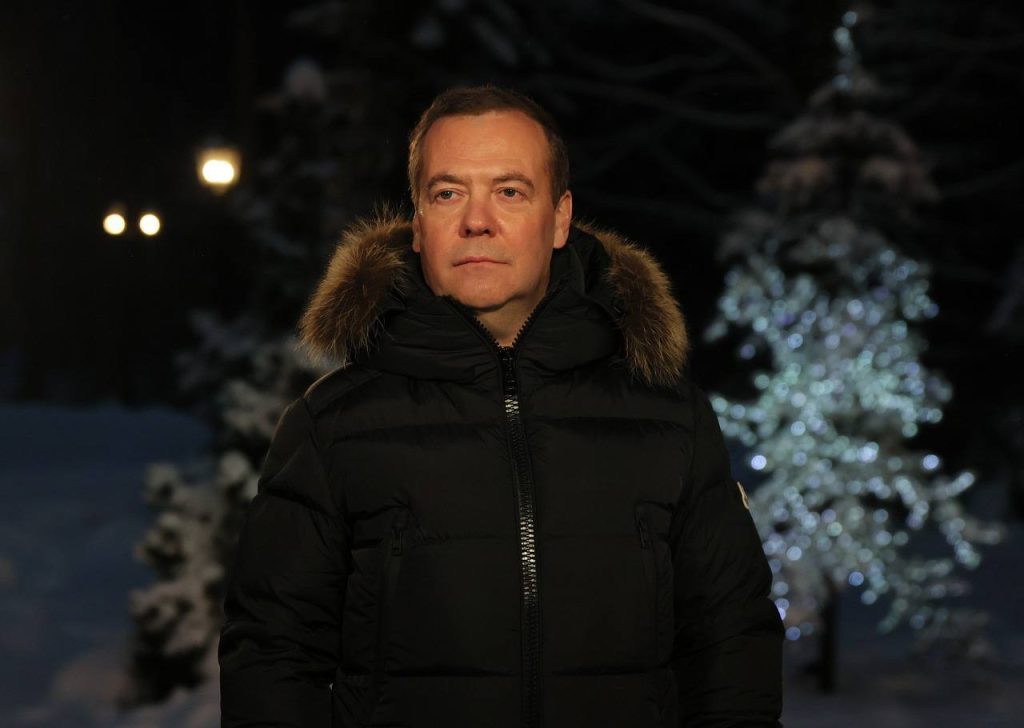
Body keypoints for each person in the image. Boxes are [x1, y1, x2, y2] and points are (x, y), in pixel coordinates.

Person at [219, 84, 784, 728]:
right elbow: (271, 659)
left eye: (510, 191)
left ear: (560, 218)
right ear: (419, 223)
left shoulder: (669, 417)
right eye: (447, 193)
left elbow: (732, 644)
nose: (477, 221)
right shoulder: (331, 427)